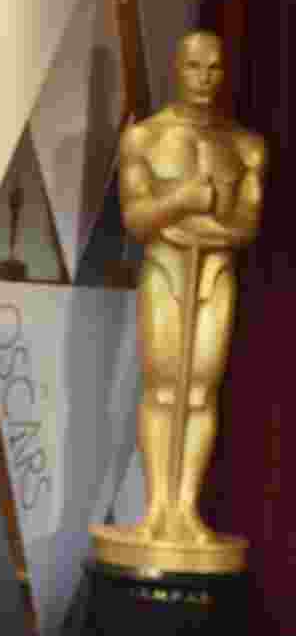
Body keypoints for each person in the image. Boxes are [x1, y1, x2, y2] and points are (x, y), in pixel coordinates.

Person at [118, 30, 265, 544]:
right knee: (162, 385)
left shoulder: (246, 147)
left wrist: (198, 224)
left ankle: (186, 509)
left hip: (213, 275)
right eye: (194, 67)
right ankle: (157, 508)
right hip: (166, 271)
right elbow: (137, 219)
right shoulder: (145, 138)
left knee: (200, 389)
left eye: (214, 68)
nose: (204, 79)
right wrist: (183, 201)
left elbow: (246, 226)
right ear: (176, 69)